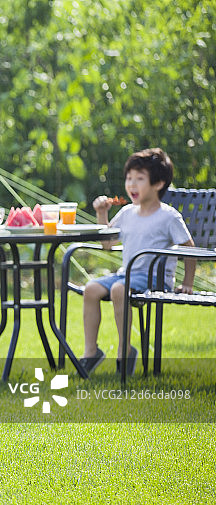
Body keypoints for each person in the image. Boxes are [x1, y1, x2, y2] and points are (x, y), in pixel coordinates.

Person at [78, 148, 195, 376]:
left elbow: (190, 250)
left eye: (139, 179)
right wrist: (102, 214)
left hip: (155, 278)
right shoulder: (127, 213)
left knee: (120, 289)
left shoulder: (169, 216)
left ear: (158, 184)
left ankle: (124, 349)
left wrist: (188, 282)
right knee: (91, 289)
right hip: (127, 274)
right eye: (129, 178)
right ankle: (91, 352)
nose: (132, 184)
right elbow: (108, 244)